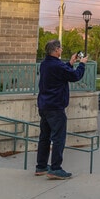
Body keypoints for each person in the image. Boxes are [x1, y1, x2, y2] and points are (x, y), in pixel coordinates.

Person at [35, 39, 88, 180]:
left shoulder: (45, 64)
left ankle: (41, 166)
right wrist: (82, 64)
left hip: (44, 105)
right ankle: (56, 168)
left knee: (44, 137)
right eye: (61, 48)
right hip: (56, 107)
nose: (62, 50)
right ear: (56, 50)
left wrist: (70, 63)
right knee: (58, 138)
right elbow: (75, 76)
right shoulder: (57, 66)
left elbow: (60, 72)